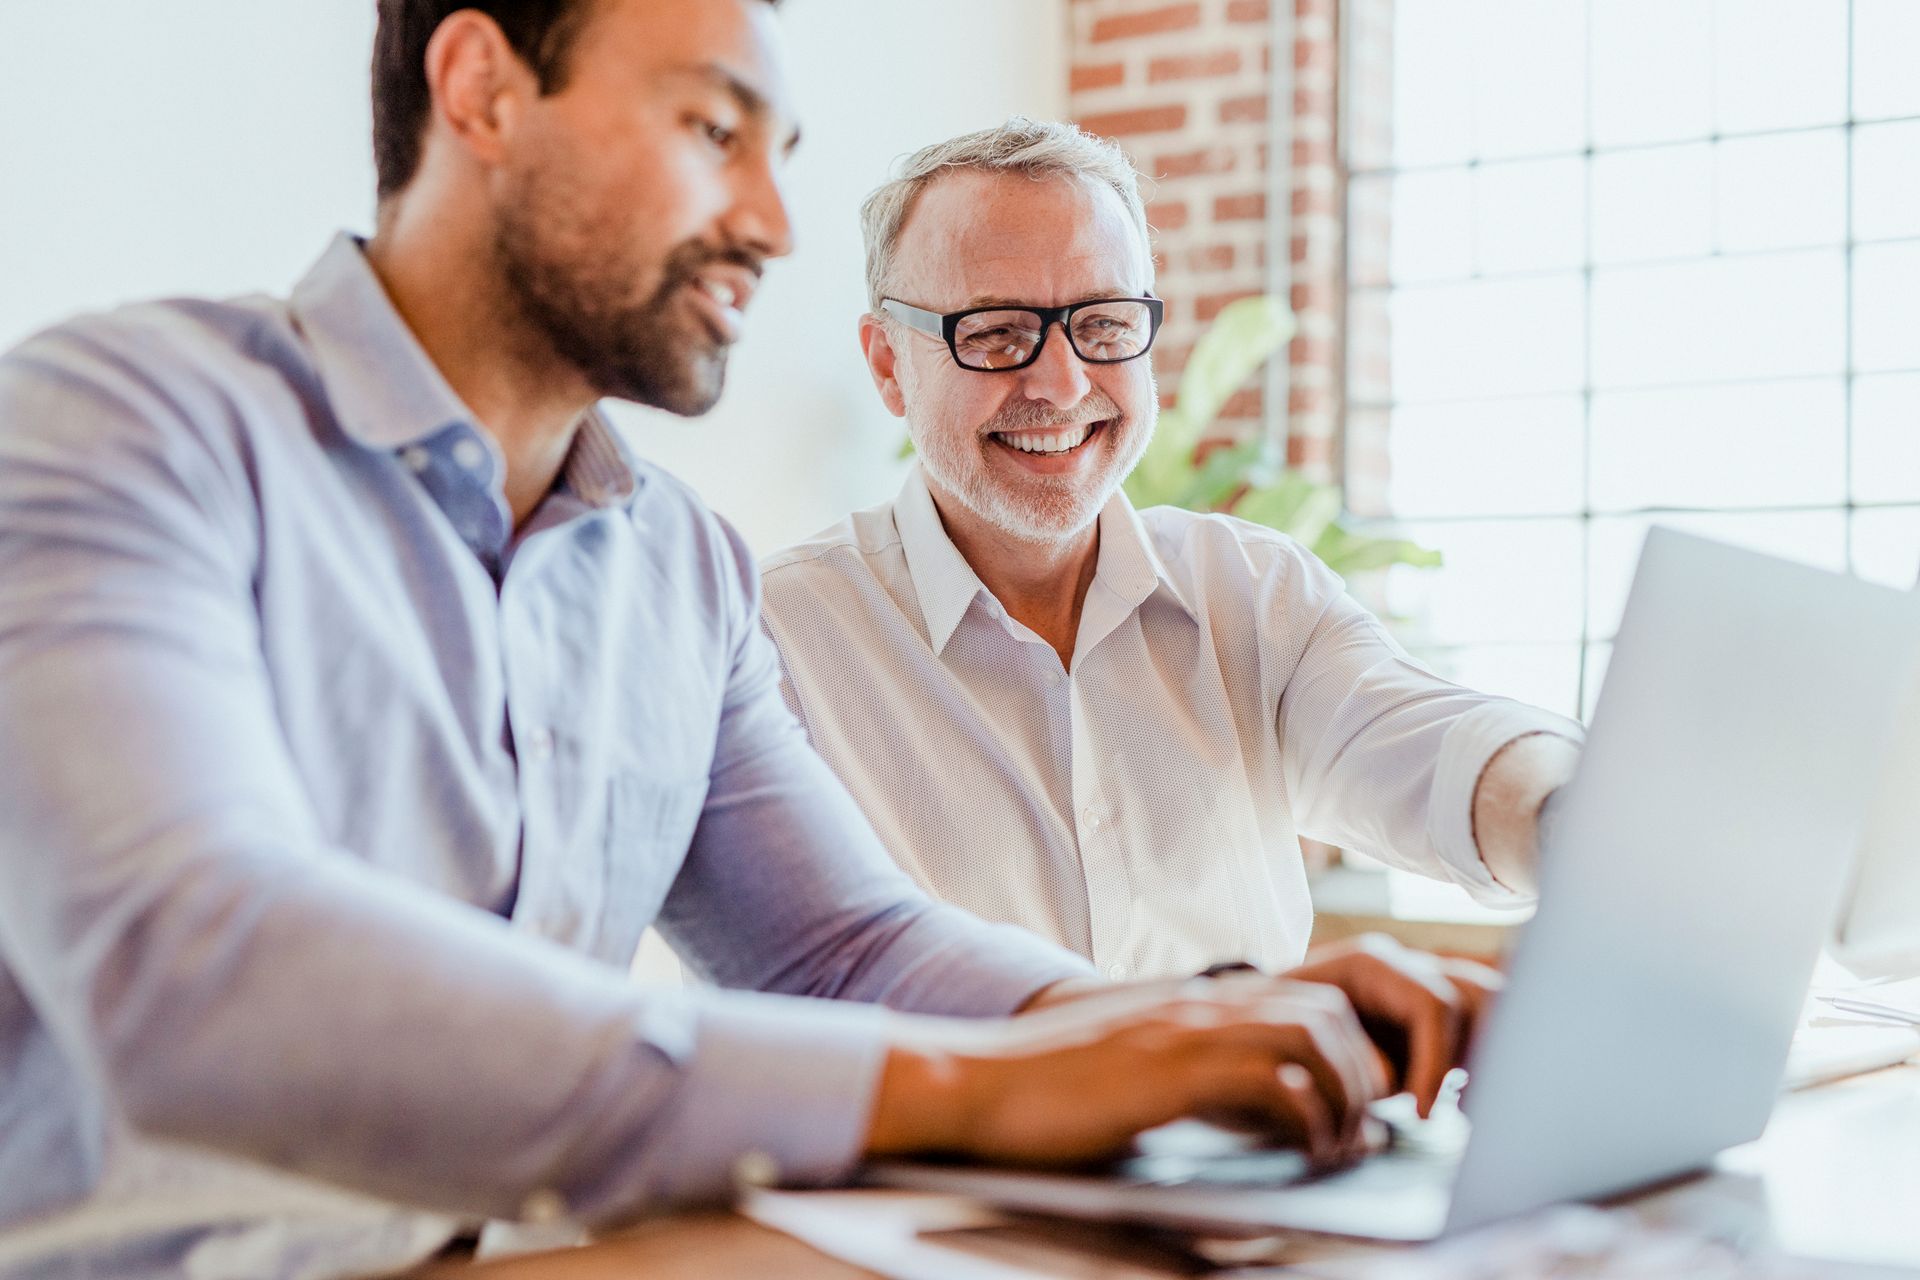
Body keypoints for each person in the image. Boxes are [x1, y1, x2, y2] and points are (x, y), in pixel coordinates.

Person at [0, 6, 1494, 1278]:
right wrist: (992, 1084)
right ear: (483, 92)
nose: (772, 222)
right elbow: (189, 970)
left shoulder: (679, 572)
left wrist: (1209, 1023)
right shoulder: (127, 429)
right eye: (716, 130)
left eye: (777, 154)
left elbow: (841, 948)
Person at [761, 118, 1585, 980]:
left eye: (1107, 325)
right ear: (889, 364)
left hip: (1265, 1120)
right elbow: (806, 995)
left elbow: (1426, 747)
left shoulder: (1253, 592)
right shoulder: (777, 640)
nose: (1063, 383)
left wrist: (1574, 822)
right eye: (997, 332)